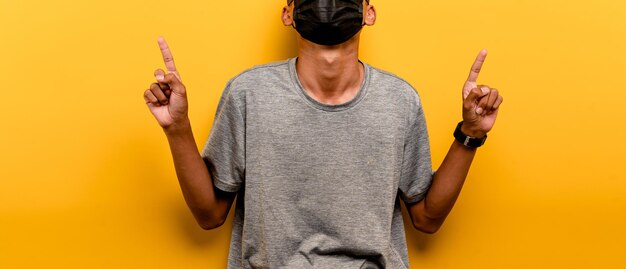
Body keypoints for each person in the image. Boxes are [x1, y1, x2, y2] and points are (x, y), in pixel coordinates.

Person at [142, 0, 503, 268]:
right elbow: (209, 215)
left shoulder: (399, 100)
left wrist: (469, 134)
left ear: (369, 12)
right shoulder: (248, 93)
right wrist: (177, 128)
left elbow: (426, 217)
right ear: (288, 14)